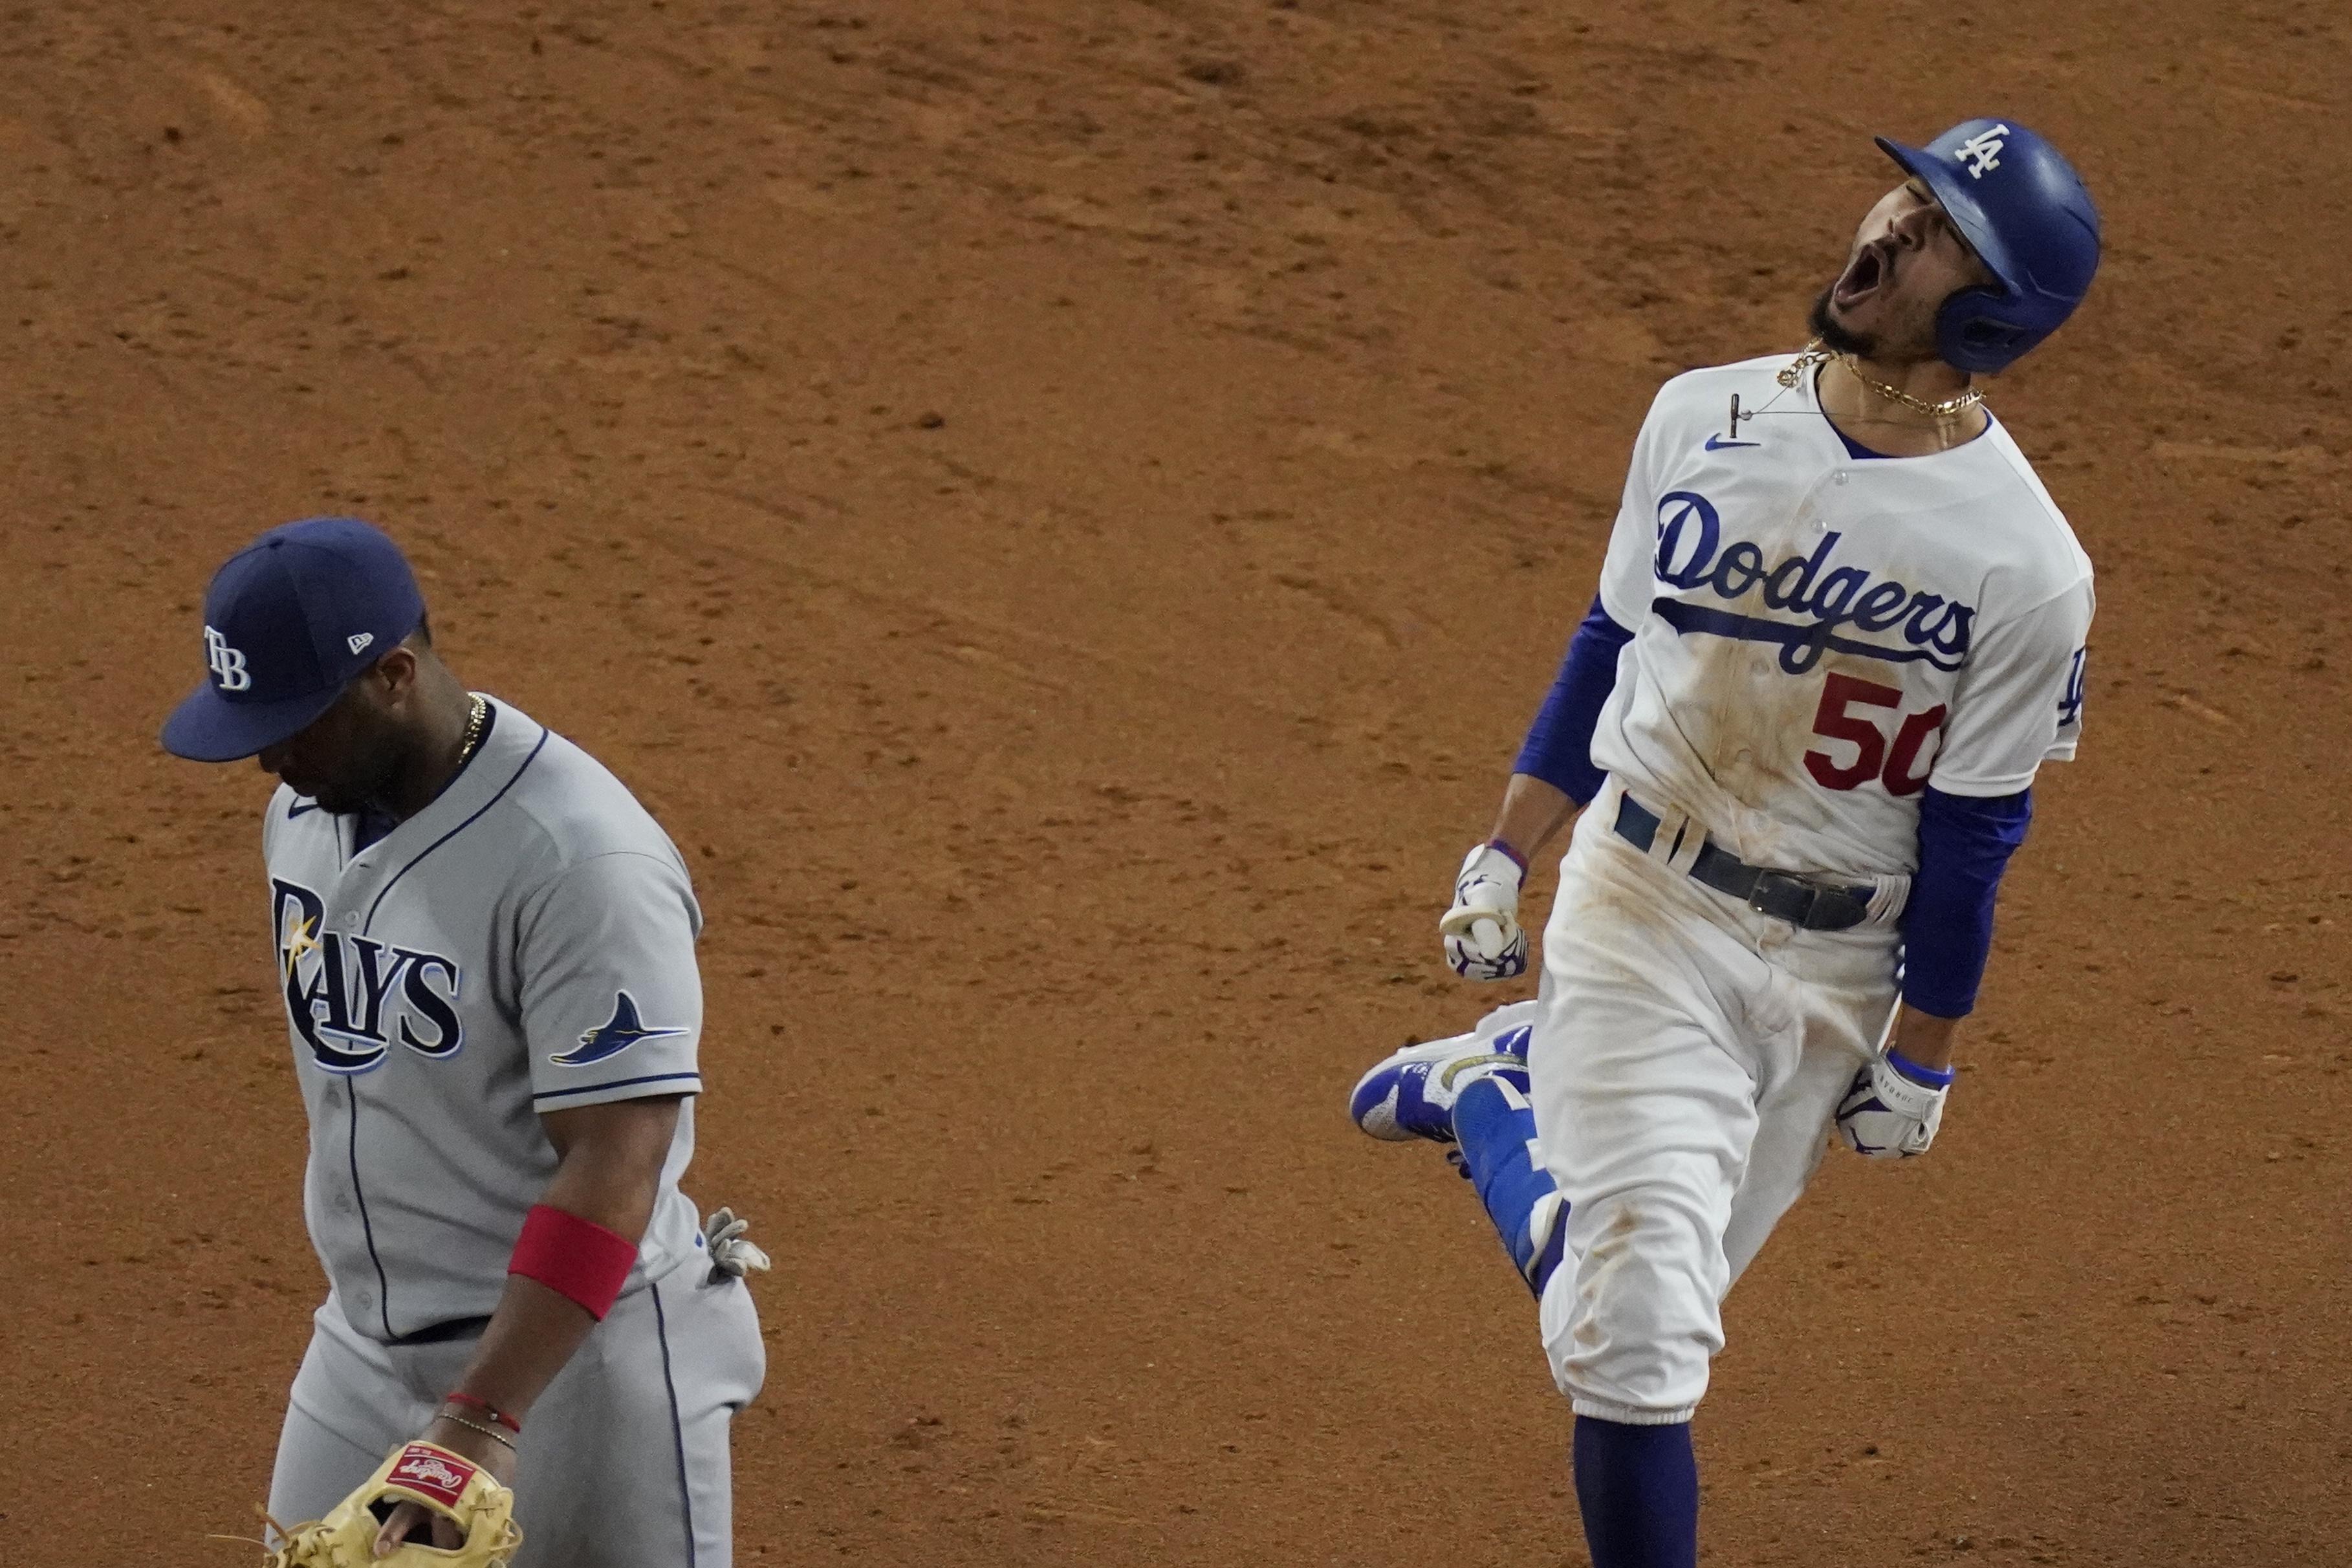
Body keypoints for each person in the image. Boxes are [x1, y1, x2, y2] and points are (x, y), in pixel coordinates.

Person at [1347, 120, 2102, 1568]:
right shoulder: (1699, 415)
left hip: (1835, 968)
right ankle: (1515, 1085)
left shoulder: (2030, 568)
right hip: (1641, 900)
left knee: (1629, 1316)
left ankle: (1489, 1101)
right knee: (1641, 1358)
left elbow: (1976, 828)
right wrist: (1506, 851)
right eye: (1908, 191)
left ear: (1993, 314)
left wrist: (1927, 1049)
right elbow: (1610, 643)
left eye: (1939, 228)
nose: (1890, 225)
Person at [160, 517, 769, 1566]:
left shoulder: (582, 861)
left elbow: (615, 1155)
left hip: (581, 1363)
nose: (269, 753)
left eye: (296, 719)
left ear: (394, 675)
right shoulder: (309, 810)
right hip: (365, 1346)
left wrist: (476, 1425)